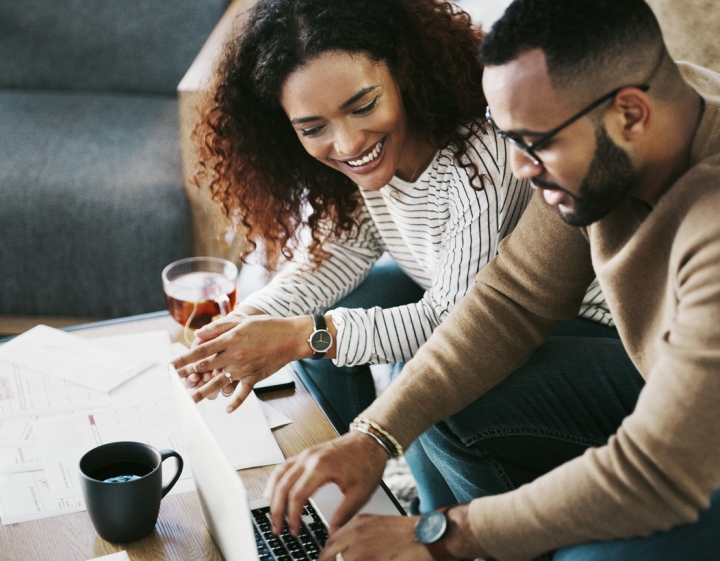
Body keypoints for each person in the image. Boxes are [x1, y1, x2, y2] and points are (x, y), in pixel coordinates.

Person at [252, 0, 720, 559]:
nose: (519, 169)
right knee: (451, 396)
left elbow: (660, 471)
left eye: (534, 144)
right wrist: (373, 437)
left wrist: (439, 534)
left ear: (630, 114)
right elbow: (510, 301)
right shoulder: (631, 131)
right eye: (509, 137)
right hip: (692, 396)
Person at [171, 0, 614, 513]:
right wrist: (243, 324)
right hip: (479, 313)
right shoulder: (367, 165)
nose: (348, 142)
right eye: (313, 128)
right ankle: (354, 496)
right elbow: (334, 256)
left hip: (585, 326)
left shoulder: (482, 162)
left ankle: (470, 530)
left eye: (363, 106)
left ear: (402, 68)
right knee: (361, 293)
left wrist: (302, 337)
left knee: (429, 385)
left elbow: (459, 327)